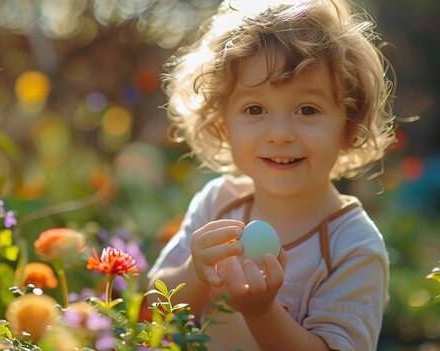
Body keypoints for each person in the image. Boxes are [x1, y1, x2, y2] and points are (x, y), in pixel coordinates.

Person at [147, 0, 395, 349]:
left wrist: (261, 312)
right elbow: (151, 312)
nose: (279, 133)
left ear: (349, 126)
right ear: (222, 123)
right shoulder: (218, 204)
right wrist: (196, 270)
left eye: (307, 109)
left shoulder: (352, 245)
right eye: (255, 109)